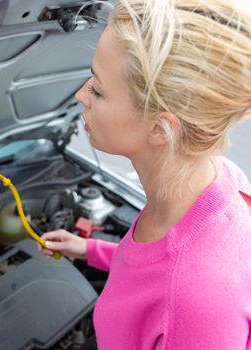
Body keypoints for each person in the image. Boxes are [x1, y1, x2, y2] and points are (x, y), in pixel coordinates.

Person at [39, 0, 251, 349]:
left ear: (160, 128)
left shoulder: (196, 306)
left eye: (98, 89)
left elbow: (175, 285)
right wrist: (91, 250)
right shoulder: (217, 180)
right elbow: (154, 266)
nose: (81, 95)